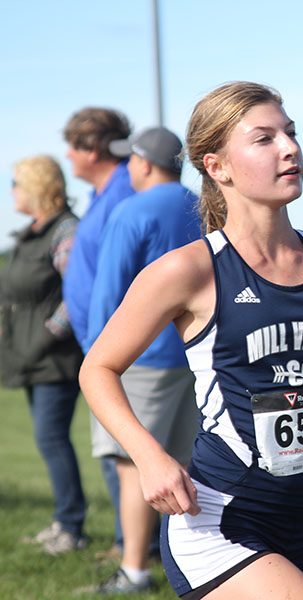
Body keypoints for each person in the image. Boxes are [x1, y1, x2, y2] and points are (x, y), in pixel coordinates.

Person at [80, 81, 303, 599]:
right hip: (214, 522)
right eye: (264, 139)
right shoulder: (189, 270)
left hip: (295, 524)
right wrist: (150, 457)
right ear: (217, 167)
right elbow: (97, 369)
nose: (290, 148)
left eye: (291, 134)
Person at [84, 126, 202, 594]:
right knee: (184, 462)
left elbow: (108, 293)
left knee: (136, 462)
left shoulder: (132, 209)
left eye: (130, 160)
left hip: (142, 360)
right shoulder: (202, 204)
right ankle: (195, 562)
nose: (127, 169)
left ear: (145, 164)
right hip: (195, 354)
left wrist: (97, 360)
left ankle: (134, 569)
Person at [1, 155, 87, 555]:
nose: (12, 191)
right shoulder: (31, 232)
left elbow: (75, 296)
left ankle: (71, 528)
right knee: (48, 439)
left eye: (16, 183)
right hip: (31, 358)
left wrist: (44, 336)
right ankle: (63, 523)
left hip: (54, 358)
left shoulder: (65, 230)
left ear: (36, 186)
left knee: (52, 439)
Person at [62, 107, 134, 559]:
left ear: (91, 148)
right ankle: (130, 540)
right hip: (99, 345)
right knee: (114, 452)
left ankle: (136, 545)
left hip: (123, 349)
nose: (67, 157)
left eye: (71, 146)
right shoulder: (101, 193)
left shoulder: (126, 191)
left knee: (125, 452)